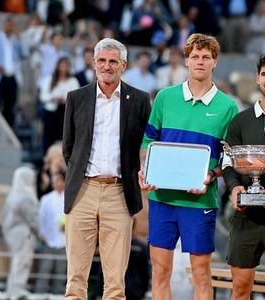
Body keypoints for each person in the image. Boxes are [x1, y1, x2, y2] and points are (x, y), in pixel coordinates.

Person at [138, 33, 238, 300]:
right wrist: (144, 169)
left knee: (202, 274)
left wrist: (211, 175)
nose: (200, 61)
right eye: (195, 56)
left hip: (200, 200)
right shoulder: (164, 98)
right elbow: (149, 140)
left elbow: (229, 158)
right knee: (160, 271)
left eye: (206, 57)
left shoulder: (228, 106)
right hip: (162, 198)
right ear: (186, 60)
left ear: (215, 62)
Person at [62, 37, 151, 299]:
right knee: (75, 277)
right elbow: (69, 148)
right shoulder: (76, 98)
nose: (107, 66)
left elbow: (145, 145)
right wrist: (81, 177)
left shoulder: (140, 100)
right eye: (102, 60)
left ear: (123, 65)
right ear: (93, 63)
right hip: (83, 191)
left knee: (115, 282)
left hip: (119, 193)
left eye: (113, 61)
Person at [222, 50, 265, 298]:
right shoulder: (240, 121)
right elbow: (228, 162)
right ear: (257, 78)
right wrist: (235, 187)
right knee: (240, 287)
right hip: (246, 216)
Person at [0, 166, 39, 299]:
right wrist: (40, 232)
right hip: (24, 235)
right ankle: (16, 292)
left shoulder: (12, 196)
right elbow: (33, 219)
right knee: (22, 262)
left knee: (16, 262)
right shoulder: (25, 197)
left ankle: (12, 290)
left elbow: (2, 218)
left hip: (11, 235)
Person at [34, 168, 67, 294]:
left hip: (64, 240)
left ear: (64, 182)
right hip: (48, 239)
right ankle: (39, 294)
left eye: (58, 181)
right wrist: (41, 233)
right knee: (45, 269)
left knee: (61, 270)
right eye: (54, 181)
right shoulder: (46, 198)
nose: (56, 183)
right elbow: (41, 217)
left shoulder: (70, 197)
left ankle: (58, 294)